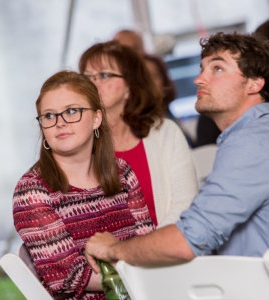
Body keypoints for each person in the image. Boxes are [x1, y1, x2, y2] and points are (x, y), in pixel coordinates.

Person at [85, 32, 269, 272]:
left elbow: (189, 239)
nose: (199, 79)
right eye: (202, 69)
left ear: (255, 84)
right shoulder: (249, 136)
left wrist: (114, 249)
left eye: (217, 69)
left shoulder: (251, 142)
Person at [12, 71, 155, 299]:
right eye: (49, 116)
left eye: (71, 111)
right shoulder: (32, 191)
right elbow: (69, 278)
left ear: (97, 118)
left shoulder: (122, 172)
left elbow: (148, 244)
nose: (60, 123)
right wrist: (140, 267)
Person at [79, 40, 198, 228]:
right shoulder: (77, 143)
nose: (92, 84)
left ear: (130, 86)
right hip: (104, 254)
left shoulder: (165, 132)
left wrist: (143, 251)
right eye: (86, 77)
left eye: (103, 75)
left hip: (165, 249)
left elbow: (185, 204)